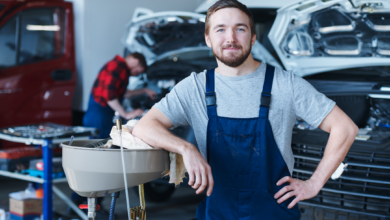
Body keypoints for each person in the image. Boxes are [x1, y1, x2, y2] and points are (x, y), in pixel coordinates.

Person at [132, 0, 358, 219]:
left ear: (253, 37)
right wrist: (186, 148)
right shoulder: (195, 87)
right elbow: (144, 126)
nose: (230, 38)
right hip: (216, 213)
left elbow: (345, 128)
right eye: (220, 30)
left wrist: (314, 183)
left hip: (273, 213)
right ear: (208, 39)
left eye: (240, 29)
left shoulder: (285, 84)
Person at [83, 53, 156, 138]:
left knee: (102, 146)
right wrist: (126, 114)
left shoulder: (120, 69)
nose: (136, 74)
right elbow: (110, 96)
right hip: (99, 116)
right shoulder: (116, 67)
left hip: (102, 115)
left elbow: (123, 94)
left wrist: (145, 90)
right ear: (135, 61)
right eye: (138, 71)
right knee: (100, 147)